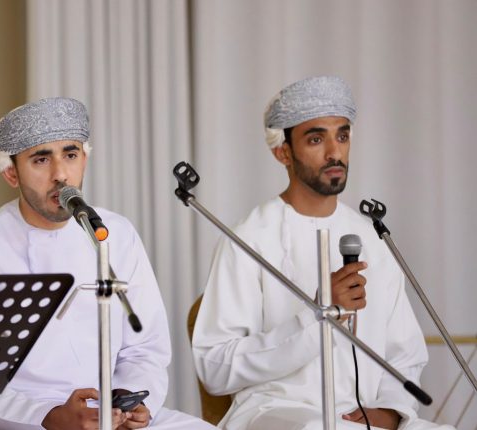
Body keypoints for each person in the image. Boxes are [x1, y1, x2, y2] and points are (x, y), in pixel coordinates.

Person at [0, 97, 215, 430]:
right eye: (41, 159)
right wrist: (50, 416)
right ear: (11, 173)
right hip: (18, 422)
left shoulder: (115, 233)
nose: (61, 175)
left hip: (109, 417)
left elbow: (144, 348)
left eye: (70, 155)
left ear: (85, 158)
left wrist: (132, 400)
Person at [191, 76, 453, 430]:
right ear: (283, 152)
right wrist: (316, 318)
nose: (334, 153)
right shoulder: (248, 239)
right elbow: (215, 368)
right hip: (276, 412)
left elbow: (404, 353)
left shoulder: (371, 238)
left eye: (342, 136)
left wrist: (391, 411)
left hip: (365, 414)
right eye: (316, 139)